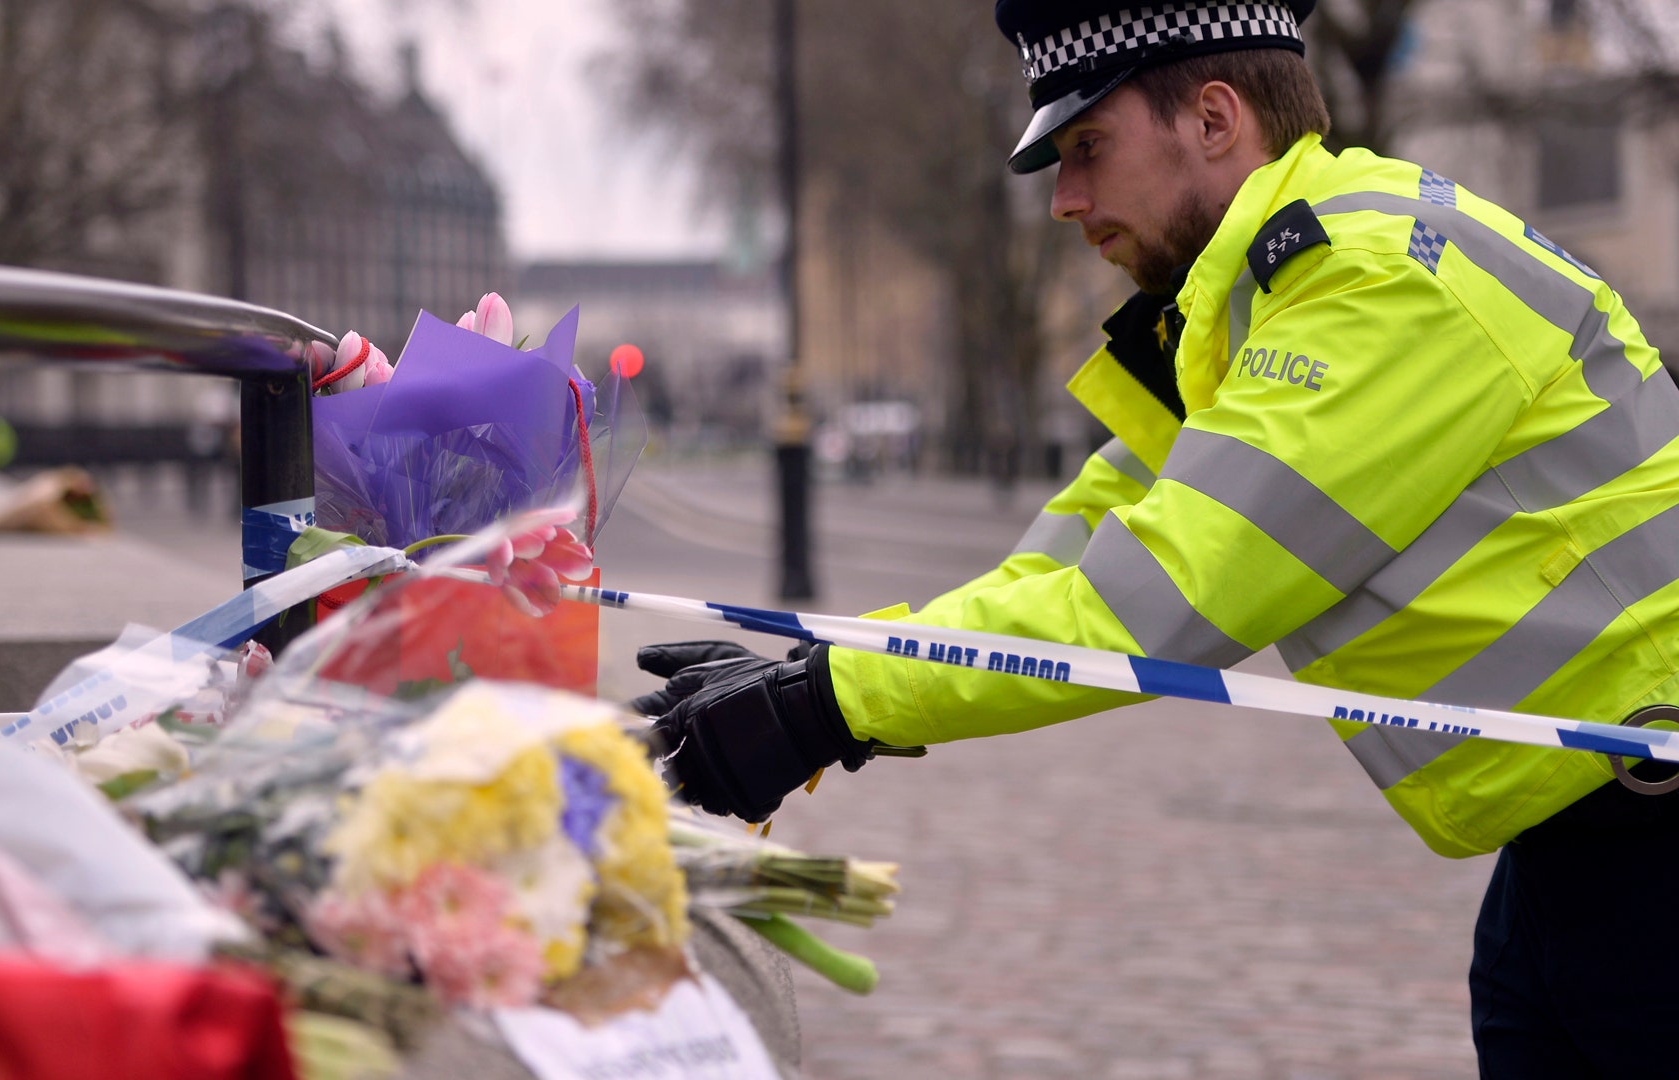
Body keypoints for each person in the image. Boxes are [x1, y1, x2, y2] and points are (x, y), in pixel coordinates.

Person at [631, 1, 1679, 1074]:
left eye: (1087, 149)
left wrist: (821, 708)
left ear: (1215, 120)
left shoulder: (1374, 284)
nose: (1063, 202)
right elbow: (1075, 554)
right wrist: (819, 674)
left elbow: (1151, 603)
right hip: (1578, 842)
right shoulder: (1262, 292)